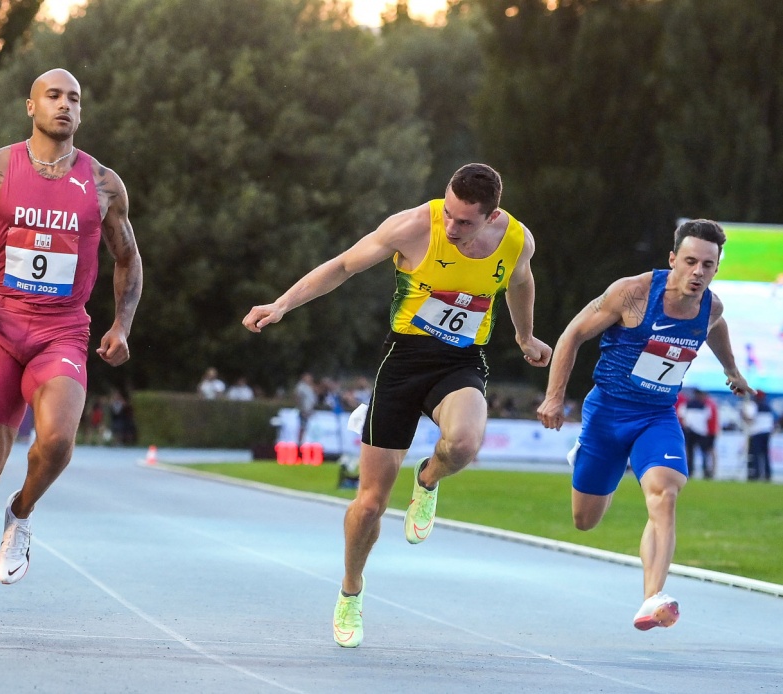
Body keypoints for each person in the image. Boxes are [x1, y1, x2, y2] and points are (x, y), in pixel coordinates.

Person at [243, 163, 551, 647]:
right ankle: (351, 591)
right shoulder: (412, 227)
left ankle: (427, 479)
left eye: (464, 222)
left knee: (464, 444)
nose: (451, 227)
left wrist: (525, 336)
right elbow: (343, 265)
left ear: (492, 216)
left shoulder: (516, 240)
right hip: (403, 362)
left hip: (462, 361)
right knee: (370, 504)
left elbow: (520, 282)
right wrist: (281, 304)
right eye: (448, 213)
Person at [0, 68, 142, 649]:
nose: (65, 105)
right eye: (54, 96)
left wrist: (121, 324)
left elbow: (127, 257)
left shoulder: (103, 184)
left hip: (62, 333)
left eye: (74, 99)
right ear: (30, 106)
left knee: (59, 442)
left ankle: (21, 512)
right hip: (0, 331)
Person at [537, 219, 752, 631]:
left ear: (716, 268)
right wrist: (554, 397)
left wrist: (732, 371)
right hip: (607, 414)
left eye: (708, 265)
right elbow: (573, 334)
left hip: (657, 416)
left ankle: (652, 598)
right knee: (585, 520)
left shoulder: (711, 307)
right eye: (690, 261)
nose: (698, 272)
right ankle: (589, 456)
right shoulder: (632, 293)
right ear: (672, 259)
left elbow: (716, 328)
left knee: (665, 493)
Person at [679, 389, 718, 478]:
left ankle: (693, 471)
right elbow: (708, 417)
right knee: (701, 452)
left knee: (693, 452)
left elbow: (682, 415)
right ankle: (702, 471)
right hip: (700, 431)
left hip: (693, 431)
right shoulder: (704, 405)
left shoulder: (688, 404)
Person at [744, 390, 776, 481]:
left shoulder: (754, 406)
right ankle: (767, 475)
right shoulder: (768, 407)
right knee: (765, 454)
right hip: (767, 433)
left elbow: (750, 419)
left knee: (756, 454)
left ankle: (756, 474)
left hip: (757, 433)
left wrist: (743, 415)